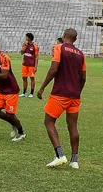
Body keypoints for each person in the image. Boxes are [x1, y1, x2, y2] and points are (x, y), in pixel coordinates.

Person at [37, 28, 86, 169]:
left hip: (60, 93)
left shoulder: (59, 47)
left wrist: (42, 88)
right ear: (75, 39)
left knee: (49, 122)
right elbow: (83, 78)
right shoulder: (81, 54)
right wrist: (77, 91)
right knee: (73, 127)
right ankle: (74, 160)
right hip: (75, 96)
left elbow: (53, 69)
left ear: (64, 36)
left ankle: (59, 155)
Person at [20, 33, 40, 98]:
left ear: (29, 37)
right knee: (24, 78)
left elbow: (37, 57)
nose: (25, 38)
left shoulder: (35, 46)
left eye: (26, 37)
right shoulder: (25, 44)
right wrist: (25, 45)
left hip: (31, 65)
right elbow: (22, 52)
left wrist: (36, 67)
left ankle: (31, 93)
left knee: (32, 78)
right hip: (24, 64)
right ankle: (24, 92)